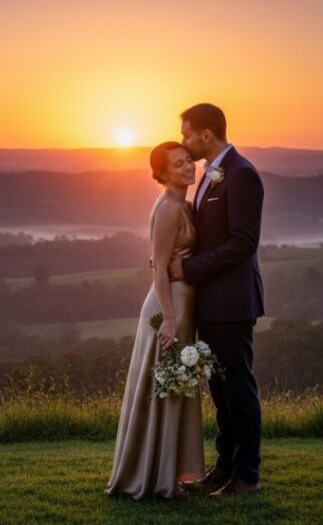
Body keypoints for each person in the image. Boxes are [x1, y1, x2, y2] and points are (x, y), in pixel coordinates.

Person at [168, 103, 265, 497]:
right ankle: (225, 467)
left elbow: (243, 243)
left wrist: (189, 270)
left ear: (206, 134)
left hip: (232, 303)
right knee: (220, 392)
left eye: (187, 133)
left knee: (239, 389)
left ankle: (248, 476)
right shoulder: (211, 174)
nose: (183, 141)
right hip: (211, 302)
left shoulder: (242, 175)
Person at [105, 141, 206, 499]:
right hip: (169, 309)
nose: (187, 168)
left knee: (176, 389)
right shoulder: (168, 209)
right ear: (162, 174)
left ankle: (171, 471)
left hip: (182, 307)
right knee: (164, 389)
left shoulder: (185, 205)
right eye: (178, 164)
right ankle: (154, 476)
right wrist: (168, 319)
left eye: (189, 161)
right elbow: (159, 268)